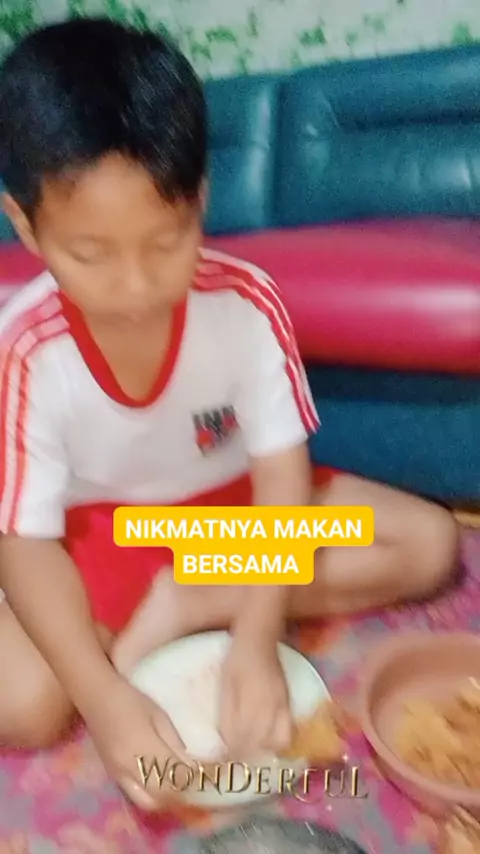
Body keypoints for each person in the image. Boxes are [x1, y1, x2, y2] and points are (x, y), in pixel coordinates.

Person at [0, 17, 458, 810]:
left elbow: (281, 474)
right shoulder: (26, 350)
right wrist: (105, 699)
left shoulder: (246, 305)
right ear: (26, 227)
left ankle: (197, 597)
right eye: (91, 254)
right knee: (29, 703)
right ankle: (155, 608)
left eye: (165, 242)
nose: (136, 288)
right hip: (101, 540)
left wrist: (255, 627)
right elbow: (28, 542)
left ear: (201, 201)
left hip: (232, 527)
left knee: (426, 543)